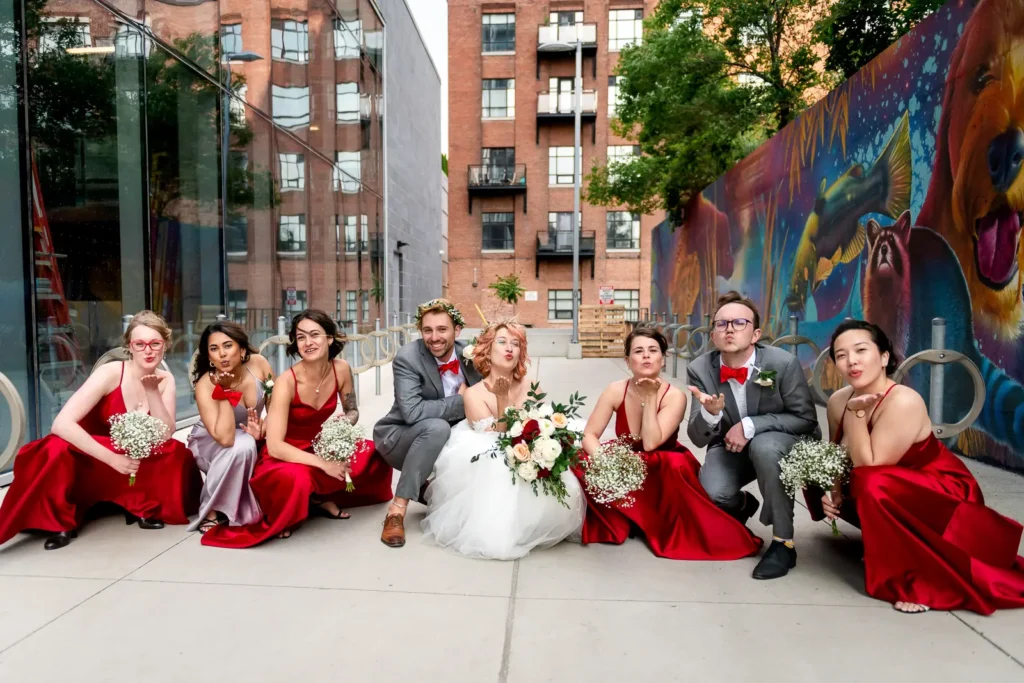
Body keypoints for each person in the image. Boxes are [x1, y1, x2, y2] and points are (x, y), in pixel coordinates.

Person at [814, 319, 1024, 614]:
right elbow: (836, 453)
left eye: (861, 350)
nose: (852, 361)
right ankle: (885, 542)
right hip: (894, 487)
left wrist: (859, 415)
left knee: (868, 483)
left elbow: (870, 466)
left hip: (942, 493)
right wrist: (832, 489)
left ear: (884, 357)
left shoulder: (903, 401)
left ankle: (915, 574)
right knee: (814, 470)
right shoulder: (838, 400)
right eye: (841, 355)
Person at [0, 311, 201, 551]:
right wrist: (112, 458)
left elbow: (165, 434)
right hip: (91, 451)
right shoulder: (111, 372)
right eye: (140, 344)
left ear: (165, 345)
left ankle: (141, 504)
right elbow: (61, 424)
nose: (148, 350)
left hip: (130, 454)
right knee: (55, 449)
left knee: (176, 453)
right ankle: (59, 521)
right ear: (129, 346)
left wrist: (151, 391)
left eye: (155, 343)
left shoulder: (165, 378)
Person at [202, 310, 393, 548]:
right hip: (285, 453)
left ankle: (317, 498)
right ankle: (307, 500)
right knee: (296, 479)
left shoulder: (341, 369)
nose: (308, 342)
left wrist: (344, 424)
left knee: (375, 453)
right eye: (301, 337)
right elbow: (275, 446)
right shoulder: (286, 382)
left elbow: (352, 409)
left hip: (320, 445)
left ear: (330, 338)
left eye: (315, 335)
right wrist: (324, 464)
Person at [577, 327, 761, 560]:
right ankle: (630, 517)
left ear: (663, 360)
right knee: (580, 459)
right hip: (626, 458)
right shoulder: (615, 390)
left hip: (662, 462)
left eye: (653, 350)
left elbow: (651, 444)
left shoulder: (675, 396)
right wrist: (606, 463)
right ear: (627, 360)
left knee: (668, 466)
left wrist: (651, 396)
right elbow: (589, 435)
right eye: (638, 351)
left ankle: (736, 506)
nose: (646, 356)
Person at [421, 320, 584, 559]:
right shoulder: (473, 393)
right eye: (502, 342)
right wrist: (501, 398)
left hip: (526, 445)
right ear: (488, 349)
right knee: (498, 464)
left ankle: (538, 519)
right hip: (491, 447)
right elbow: (499, 437)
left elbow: (539, 424)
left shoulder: (530, 385)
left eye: (515, 344)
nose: (510, 348)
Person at [686, 291, 820, 579]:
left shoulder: (782, 363)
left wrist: (750, 426)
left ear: (756, 333)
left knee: (764, 445)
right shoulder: (699, 368)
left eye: (739, 322)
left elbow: (806, 419)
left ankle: (784, 543)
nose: (730, 329)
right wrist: (710, 413)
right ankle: (744, 504)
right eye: (721, 324)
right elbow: (697, 437)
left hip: (784, 442)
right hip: (732, 447)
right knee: (712, 494)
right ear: (713, 335)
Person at [373, 299, 483, 548]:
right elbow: (412, 412)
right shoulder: (408, 357)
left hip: (448, 438)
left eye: (442, 329)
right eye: (427, 330)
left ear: (457, 330)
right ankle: (397, 510)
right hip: (399, 436)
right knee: (437, 427)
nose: (434, 337)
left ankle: (432, 492)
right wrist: (463, 400)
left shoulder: (471, 355)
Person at [187, 321, 273, 533]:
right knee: (242, 446)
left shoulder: (260, 364)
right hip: (211, 440)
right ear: (209, 356)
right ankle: (211, 508)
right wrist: (224, 393)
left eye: (228, 346)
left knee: (250, 443)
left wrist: (262, 430)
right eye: (214, 349)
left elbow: (275, 405)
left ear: (241, 349)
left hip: (250, 432)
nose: (222, 354)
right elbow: (225, 438)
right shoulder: (205, 384)